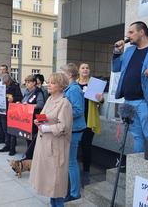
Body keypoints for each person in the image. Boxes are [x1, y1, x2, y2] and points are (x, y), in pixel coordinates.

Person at [113, 21, 148, 152]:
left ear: (142, 32)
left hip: (145, 101)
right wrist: (117, 52)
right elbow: (116, 68)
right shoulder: (129, 51)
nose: (128, 35)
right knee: (137, 137)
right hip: (128, 101)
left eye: (131, 32)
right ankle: (138, 169)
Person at [30, 73, 73, 207]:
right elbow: (44, 115)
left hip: (55, 146)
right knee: (50, 183)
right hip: (45, 145)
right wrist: (38, 120)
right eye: (49, 82)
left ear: (61, 86)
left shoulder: (64, 103)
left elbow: (64, 126)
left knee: (56, 183)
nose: (49, 84)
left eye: (52, 83)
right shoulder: (49, 99)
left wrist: (46, 128)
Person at [60, 63, 86, 202]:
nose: (60, 75)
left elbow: (78, 110)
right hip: (72, 128)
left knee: (71, 162)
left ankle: (75, 193)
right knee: (70, 161)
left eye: (62, 73)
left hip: (75, 129)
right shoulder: (70, 88)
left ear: (69, 75)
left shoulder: (74, 89)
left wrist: (61, 114)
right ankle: (71, 190)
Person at [77, 63, 104, 186]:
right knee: (74, 146)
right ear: (79, 71)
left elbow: (101, 102)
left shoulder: (94, 84)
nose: (85, 69)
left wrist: (101, 99)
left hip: (89, 120)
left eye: (87, 68)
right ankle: (74, 171)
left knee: (86, 146)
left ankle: (86, 172)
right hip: (76, 120)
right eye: (83, 68)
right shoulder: (74, 84)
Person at [21, 75, 45, 160]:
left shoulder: (38, 92)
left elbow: (41, 104)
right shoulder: (26, 91)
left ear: (34, 83)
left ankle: (32, 156)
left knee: (33, 139)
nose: (27, 84)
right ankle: (29, 155)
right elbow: (23, 101)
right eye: (26, 82)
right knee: (28, 137)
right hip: (27, 119)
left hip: (35, 119)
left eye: (29, 82)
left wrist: (29, 106)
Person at [0, 74, 23, 156]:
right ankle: (7, 145)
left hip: (12, 110)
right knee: (5, 130)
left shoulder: (15, 86)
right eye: (3, 83)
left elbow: (20, 97)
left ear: (9, 81)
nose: (4, 85)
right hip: (3, 109)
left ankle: (12, 148)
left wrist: (13, 99)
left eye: (6, 83)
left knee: (12, 130)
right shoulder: (3, 85)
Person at [0, 64, 9, 143]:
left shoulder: (10, 80)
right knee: (1, 123)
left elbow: (11, 93)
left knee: (5, 124)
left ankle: (7, 141)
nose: (2, 71)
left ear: (6, 70)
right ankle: (2, 138)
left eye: (3, 69)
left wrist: (6, 95)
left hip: (6, 106)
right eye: (1, 69)